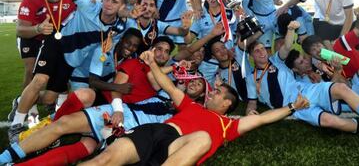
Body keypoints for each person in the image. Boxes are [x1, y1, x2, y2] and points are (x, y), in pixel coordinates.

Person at [76, 48, 309, 166]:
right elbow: (169, 87)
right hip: (155, 133)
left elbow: (262, 119)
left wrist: (292, 107)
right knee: (102, 161)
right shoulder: (192, 105)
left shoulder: (228, 124)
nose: (211, 93)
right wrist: (151, 64)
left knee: (204, 138)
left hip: (177, 149)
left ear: (227, 103)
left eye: (216, 92)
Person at [8, 0, 135, 144]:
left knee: (49, 98)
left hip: (72, 63)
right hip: (56, 45)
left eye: (115, 2)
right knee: (39, 79)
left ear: (122, 7)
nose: (108, 4)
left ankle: (21, 101)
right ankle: (16, 126)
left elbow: (140, 20)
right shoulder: (88, 6)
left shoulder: (120, 26)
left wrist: (135, 14)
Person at [0, 38, 207, 166]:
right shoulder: (135, 64)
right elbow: (152, 80)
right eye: (157, 49)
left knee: (87, 148)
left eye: (165, 52)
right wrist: (117, 105)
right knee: (67, 119)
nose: (161, 54)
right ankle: (14, 151)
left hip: (128, 125)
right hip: (114, 110)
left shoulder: (166, 80)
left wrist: (184, 68)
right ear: (150, 50)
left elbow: (172, 81)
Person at [245, 21, 359, 148]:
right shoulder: (252, 78)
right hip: (293, 108)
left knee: (344, 88)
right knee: (331, 122)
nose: (261, 53)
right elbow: (252, 101)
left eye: (263, 49)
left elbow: (287, 46)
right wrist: (249, 111)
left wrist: (290, 30)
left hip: (309, 92)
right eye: (257, 51)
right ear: (251, 56)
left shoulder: (277, 62)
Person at [9, 0, 77, 123]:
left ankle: (42, 101)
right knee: (31, 69)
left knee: (58, 68)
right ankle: (27, 107)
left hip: (53, 36)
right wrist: (37, 28)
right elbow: (20, 30)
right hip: (32, 35)